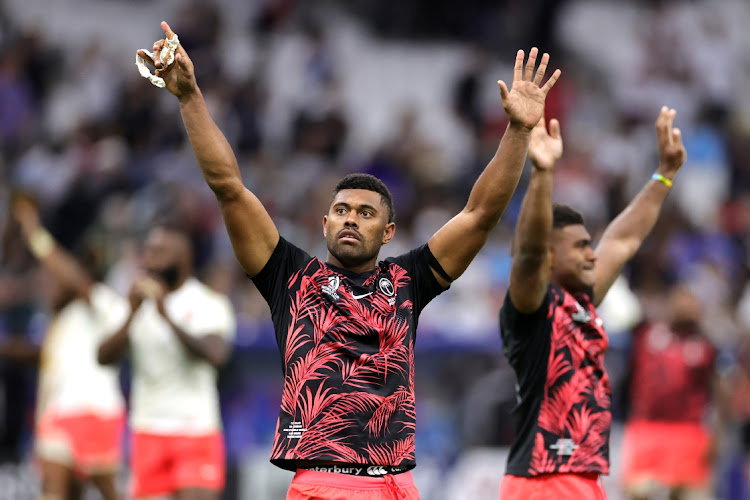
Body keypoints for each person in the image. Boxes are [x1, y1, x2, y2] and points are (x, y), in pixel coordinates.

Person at [138, 21, 559, 500]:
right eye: (341, 211)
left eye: (365, 213)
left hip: (395, 484)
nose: (351, 220)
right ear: (324, 224)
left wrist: (518, 131)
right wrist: (191, 97)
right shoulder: (289, 278)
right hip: (324, 483)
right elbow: (228, 187)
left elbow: (480, 214)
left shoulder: (409, 281)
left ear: (389, 231)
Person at [498, 106, 687, 499]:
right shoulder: (532, 306)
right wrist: (544, 174)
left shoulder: (579, 302)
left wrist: (664, 174)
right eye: (581, 247)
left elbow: (623, 240)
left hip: (582, 477)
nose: (592, 254)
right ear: (551, 256)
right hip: (545, 478)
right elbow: (530, 251)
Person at [97, 225, 236, 500]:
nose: (148, 259)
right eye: (147, 251)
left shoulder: (208, 303)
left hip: (195, 430)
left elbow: (217, 355)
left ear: (182, 259)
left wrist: (167, 316)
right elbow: (103, 358)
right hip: (148, 429)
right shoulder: (134, 304)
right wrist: (131, 315)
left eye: (159, 252)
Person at [11, 197, 127, 500]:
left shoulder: (105, 302)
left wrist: (35, 234)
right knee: (55, 491)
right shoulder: (62, 317)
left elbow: (74, 278)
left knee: (106, 491)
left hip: (94, 410)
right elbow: (41, 355)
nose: (55, 283)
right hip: (58, 411)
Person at [621, 284, 719, 500]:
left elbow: (719, 394)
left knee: (693, 494)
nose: (686, 306)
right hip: (647, 430)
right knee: (639, 492)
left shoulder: (705, 346)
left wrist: (716, 435)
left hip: (688, 433)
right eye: (681, 300)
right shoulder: (645, 333)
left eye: (691, 302)